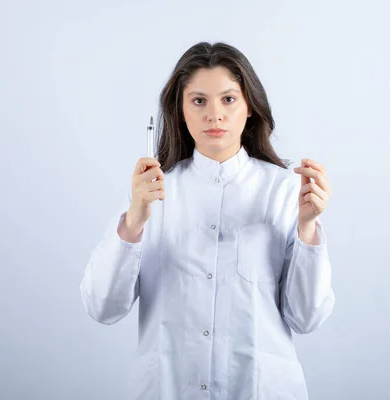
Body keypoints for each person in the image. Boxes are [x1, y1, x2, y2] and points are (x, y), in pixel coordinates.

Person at [79, 41, 335, 399]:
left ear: (249, 107)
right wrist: (134, 221)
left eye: (228, 99)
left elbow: (307, 318)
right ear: (180, 110)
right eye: (199, 101)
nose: (214, 114)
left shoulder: (284, 191)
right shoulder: (151, 193)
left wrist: (307, 228)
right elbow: (102, 307)